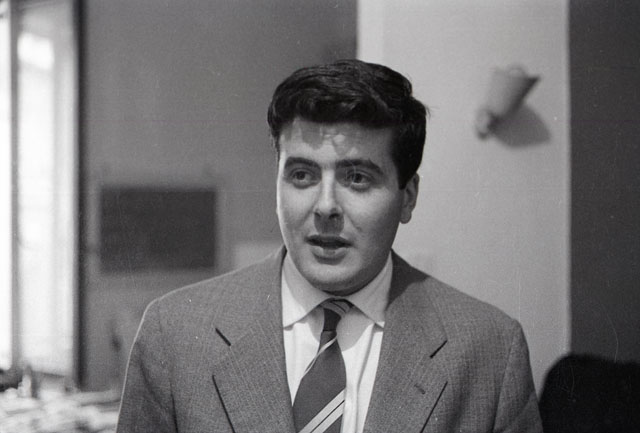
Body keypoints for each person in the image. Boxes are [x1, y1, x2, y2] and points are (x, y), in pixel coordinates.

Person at [117, 59, 542, 433]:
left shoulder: (489, 349)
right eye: (301, 175)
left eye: (357, 178)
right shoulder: (174, 334)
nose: (325, 207)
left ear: (408, 197)